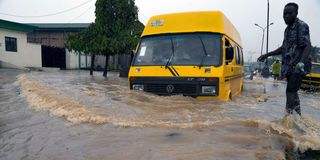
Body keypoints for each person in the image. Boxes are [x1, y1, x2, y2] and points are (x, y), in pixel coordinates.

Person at [258, 2, 312, 116]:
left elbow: (307, 46)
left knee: (290, 91)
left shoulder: (301, 26)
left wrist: (301, 63)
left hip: (297, 66)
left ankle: (288, 120)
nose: (286, 16)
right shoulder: (287, 30)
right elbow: (283, 48)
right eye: (284, 14)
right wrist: (267, 55)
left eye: (289, 13)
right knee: (294, 92)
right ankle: (298, 118)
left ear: (296, 13)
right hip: (289, 67)